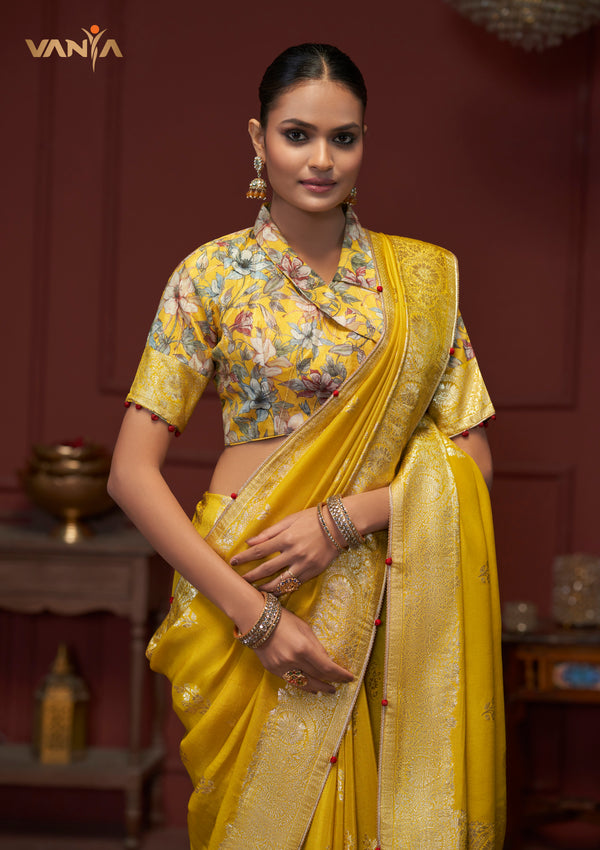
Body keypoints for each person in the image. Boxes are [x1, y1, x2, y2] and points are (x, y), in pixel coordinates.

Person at [108, 43, 505, 850]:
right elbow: (129, 474)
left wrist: (343, 521)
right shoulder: (210, 276)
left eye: (344, 138)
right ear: (258, 139)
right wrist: (254, 616)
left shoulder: (419, 283)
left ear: (364, 142)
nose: (322, 160)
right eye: (297, 135)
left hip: (387, 587)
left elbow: (473, 466)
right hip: (245, 582)